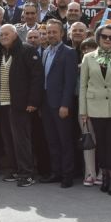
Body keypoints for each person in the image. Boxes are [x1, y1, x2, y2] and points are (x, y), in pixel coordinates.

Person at [79, 25, 111, 196]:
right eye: (104, 37)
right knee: (100, 144)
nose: (107, 40)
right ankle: (105, 176)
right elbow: (83, 86)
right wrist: (83, 111)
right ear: (98, 38)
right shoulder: (88, 57)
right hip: (94, 107)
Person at [0, 25, 44, 187]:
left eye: (6, 34)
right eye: (1, 34)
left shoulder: (27, 51)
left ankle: (27, 173)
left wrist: (32, 101)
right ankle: (15, 169)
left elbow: (37, 78)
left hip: (20, 105)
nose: (3, 36)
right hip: (3, 103)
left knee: (22, 140)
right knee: (9, 140)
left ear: (15, 35)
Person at [41, 20, 79, 187]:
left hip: (61, 105)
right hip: (46, 105)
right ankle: (55, 172)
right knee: (52, 141)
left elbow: (70, 82)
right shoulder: (45, 52)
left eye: (54, 32)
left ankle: (67, 175)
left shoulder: (69, 52)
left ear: (62, 34)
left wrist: (65, 105)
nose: (51, 35)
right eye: (48, 32)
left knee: (65, 141)